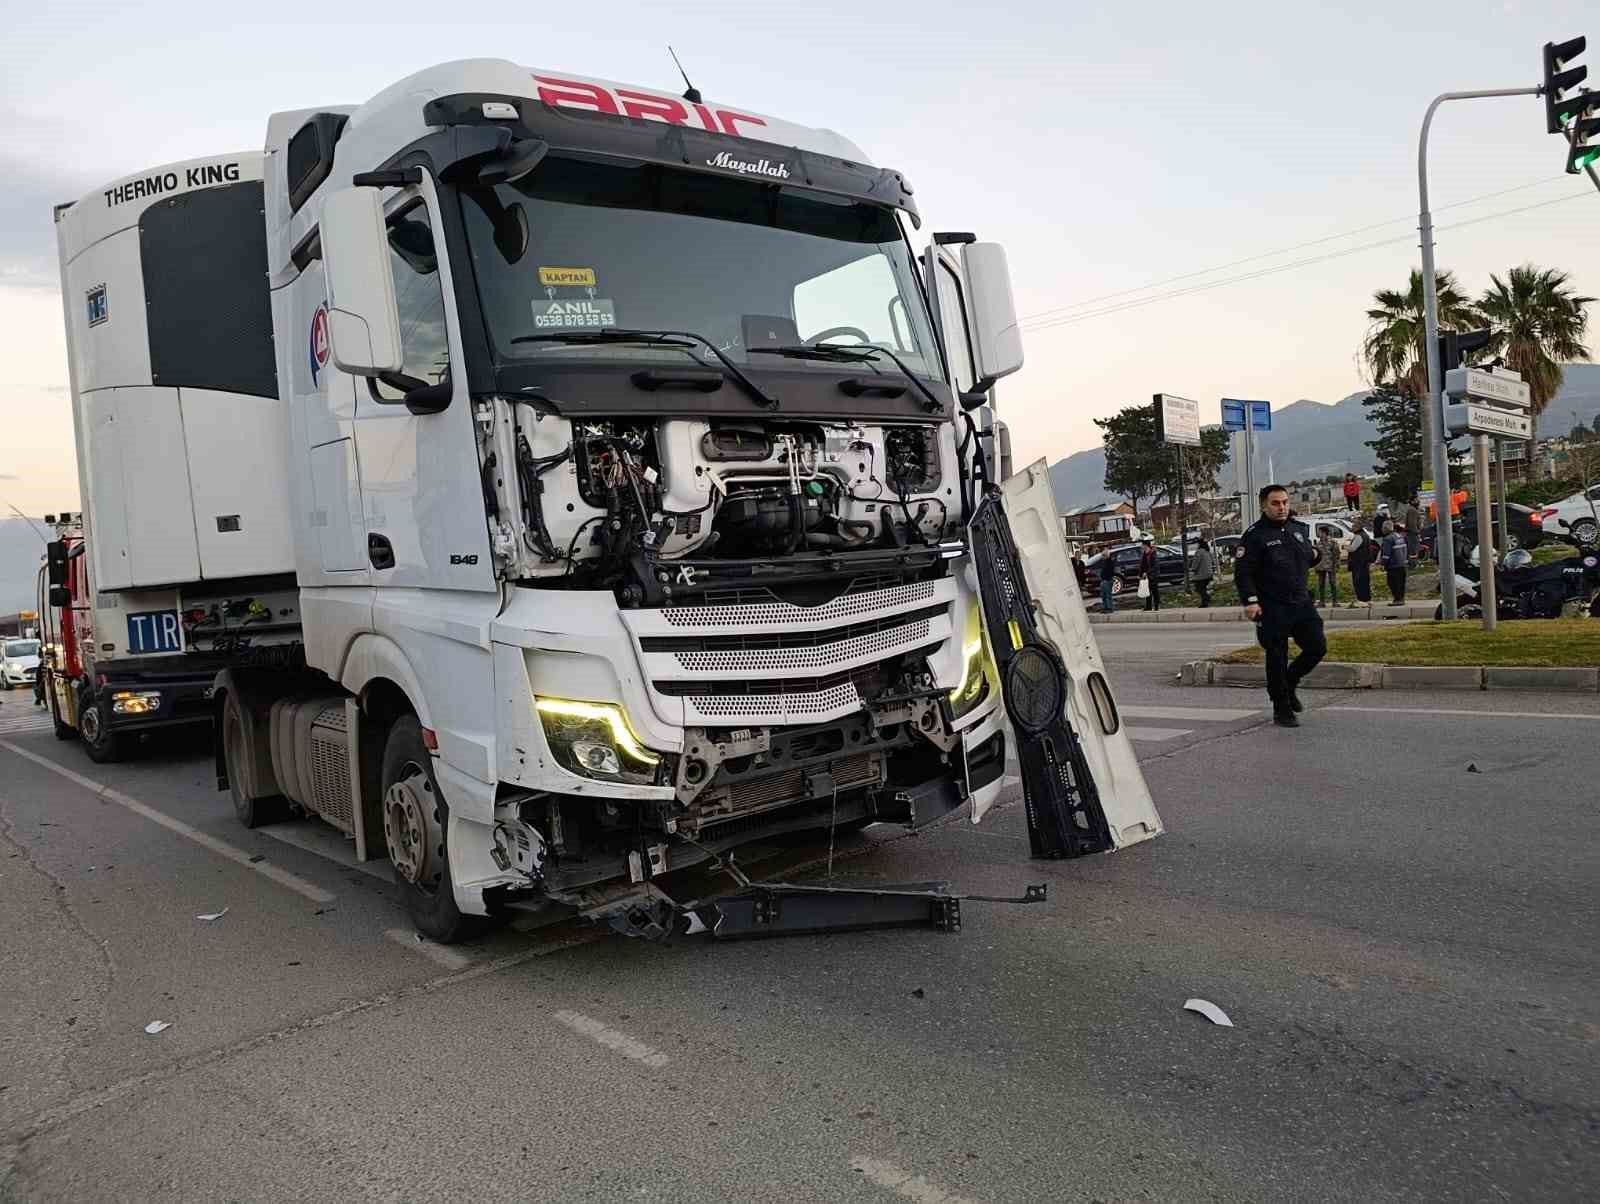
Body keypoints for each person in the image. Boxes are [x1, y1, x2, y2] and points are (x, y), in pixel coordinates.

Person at [1235, 484, 1326, 728]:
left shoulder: (1297, 529)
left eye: (1285, 502)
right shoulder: (1255, 535)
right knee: (1276, 656)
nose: (1282, 507)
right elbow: (1244, 573)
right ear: (1264, 506)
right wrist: (1251, 602)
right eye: (1275, 503)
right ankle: (1281, 708)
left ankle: (1291, 680)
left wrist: (1315, 554)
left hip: (1301, 602)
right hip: (1272, 606)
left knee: (1317, 647)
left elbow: (1307, 555)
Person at [1346, 516, 1374, 604]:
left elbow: (1352, 548)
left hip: (1358, 562)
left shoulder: (1359, 536)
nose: (1352, 528)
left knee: (1358, 581)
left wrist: (1345, 546)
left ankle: (1361, 599)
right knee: (1365, 580)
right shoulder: (1365, 535)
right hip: (1364, 562)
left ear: (1358, 527)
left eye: (1353, 526)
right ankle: (1366, 598)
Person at [1381, 521, 1409, 604]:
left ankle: (1397, 599)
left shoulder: (1388, 539)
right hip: (1402, 563)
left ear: (1385, 529)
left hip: (1393, 565)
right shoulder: (1399, 536)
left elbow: (1386, 554)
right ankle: (1401, 599)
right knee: (1401, 583)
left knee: (1393, 583)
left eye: (1382, 528)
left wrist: (1383, 564)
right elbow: (1405, 549)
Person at [1315, 526, 1339, 606]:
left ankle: (1335, 601)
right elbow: (1317, 556)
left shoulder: (1332, 542)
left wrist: (1336, 565)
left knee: (1333, 583)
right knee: (1321, 584)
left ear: (1324, 532)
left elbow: (1336, 555)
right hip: (1321, 566)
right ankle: (1322, 602)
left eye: (1319, 532)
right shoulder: (1318, 543)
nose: (1318, 533)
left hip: (1330, 566)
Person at [1191, 536, 1215, 608]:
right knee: (1203, 588)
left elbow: (1196, 562)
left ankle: (1206, 598)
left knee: (1198, 588)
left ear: (1199, 544)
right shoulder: (1207, 551)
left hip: (1202, 574)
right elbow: (1212, 561)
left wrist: (1193, 569)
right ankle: (1205, 603)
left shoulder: (1199, 552)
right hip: (1209, 573)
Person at [1139, 536, 1161, 612]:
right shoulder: (1144, 554)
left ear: (1146, 545)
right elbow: (1142, 565)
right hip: (1147, 575)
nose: (1141, 546)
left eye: (1142, 545)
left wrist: (1147, 572)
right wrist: (1140, 574)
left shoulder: (1153, 553)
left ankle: (1156, 605)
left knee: (1155, 590)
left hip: (1153, 575)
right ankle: (1148, 606)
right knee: (1147, 591)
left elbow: (1155, 566)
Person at [1404, 498, 1422, 565]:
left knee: (1413, 548)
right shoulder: (1412, 510)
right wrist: (1417, 532)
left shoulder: (1412, 509)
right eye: (1416, 500)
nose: (1418, 501)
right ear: (1412, 501)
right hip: (1413, 533)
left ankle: (1413, 562)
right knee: (1413, 549)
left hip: (1412, 532)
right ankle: (1413, 563)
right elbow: (1412, 523)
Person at [1098, 550, 1116, 614]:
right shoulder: (1104, 562)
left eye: (1103, 555)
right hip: (1104, 580)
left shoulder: (1109, 562)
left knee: (1108, 595)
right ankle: (1105, 607)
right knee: (1103, 595)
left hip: (1107, 580)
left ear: (1106, 555)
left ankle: (1109, 608)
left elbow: (1110, 572)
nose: (1102, 557)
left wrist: (1105, 577)